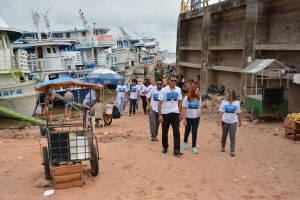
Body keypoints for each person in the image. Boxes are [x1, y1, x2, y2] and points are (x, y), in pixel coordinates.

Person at [158, 75, 183, 156]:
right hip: (165, 114)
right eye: (172, 80)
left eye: (175, 80)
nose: (174, 82)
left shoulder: (178, 89)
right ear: (168, 81)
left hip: (175, 113)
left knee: (177, 132)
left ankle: (176, 150)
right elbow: (160, 102)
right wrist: (160, 115)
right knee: (165, 131)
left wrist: (180, 113)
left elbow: (179, 102)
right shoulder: (164, 90)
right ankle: (165, 146)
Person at [217, 88, 242, 157]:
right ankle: (223, 146)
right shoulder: (224, 101)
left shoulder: (237, 102)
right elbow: (221, 111)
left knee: (232, 136)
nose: (225, 94)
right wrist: (218, 120)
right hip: (225, 121)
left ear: (231, 94)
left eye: (227, 93)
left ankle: (232, 151)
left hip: (233, 122)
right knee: (224, 135)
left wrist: (240, 121)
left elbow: (238, 112)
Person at [182, 85, 202, 154]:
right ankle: (185, 142)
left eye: (198, 90)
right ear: (193, 90)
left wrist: (199, 110)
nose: (198, 92)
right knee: (187, 130)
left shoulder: (199, 98)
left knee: (194, 131)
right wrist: (184, 120)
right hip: (188, 117)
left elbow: (199, 106)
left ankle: (194, 147)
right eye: (196, 90)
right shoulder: (187, 98)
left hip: (196, 118)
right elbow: (184, 109)